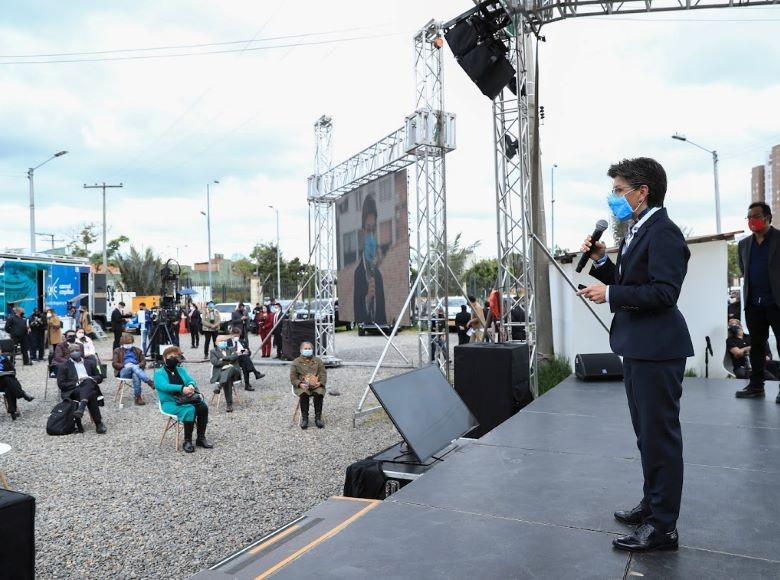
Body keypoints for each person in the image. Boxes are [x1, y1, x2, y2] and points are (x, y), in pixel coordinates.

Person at [578, 157, 692, 552]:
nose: (614, 198)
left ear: (643, 192)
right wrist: (602, 265)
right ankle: (653, 504)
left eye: (619, 190)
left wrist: (609, 293)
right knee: (647, 436)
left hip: (658, 348)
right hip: (639, 346)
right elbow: (631, 282)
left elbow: (663, 292)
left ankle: (663, 528)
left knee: (660, 437)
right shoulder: (636, 231)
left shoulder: (664, 233)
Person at [735, 201, 780, 402]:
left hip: (776, 303)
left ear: (768, 217)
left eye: (756, 216)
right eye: (749, 217)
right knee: (758, 346)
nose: (752, 220)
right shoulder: (744, 244)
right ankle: (756, 387)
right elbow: (744, 270)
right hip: (754, 304)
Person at [154, 346, 212, 453]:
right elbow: (164, 386)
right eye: (171, 356)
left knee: (203, 407)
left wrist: (190, 386)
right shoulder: (158, 374)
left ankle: (200, 438)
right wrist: (181, 388)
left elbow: (191, 380)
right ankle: (187, 441)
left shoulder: (181, 370)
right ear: (164, 358)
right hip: (170, 403)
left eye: (176, 356)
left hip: (185, 399)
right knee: (189, 409)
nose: (174, 358)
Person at [57, 342, 107, 434]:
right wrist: (77, 382)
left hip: (89, 386)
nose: (75, 352)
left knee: (88, 382)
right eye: (72, 351)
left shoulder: (90, 363)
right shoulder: (64, 366)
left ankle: (81, 408)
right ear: (69, 353)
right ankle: (98, 423)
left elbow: (100, 377)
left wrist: (90, 378)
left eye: (77, 350)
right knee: (90, 393)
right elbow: (61, 384)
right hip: (73, 391)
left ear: (81, 351)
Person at [353, 194, 387, 327]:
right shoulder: (358, 274)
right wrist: (367, 299)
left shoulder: (378, 275)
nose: (371, 236)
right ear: (363, 232)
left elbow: (383, 316)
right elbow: (357, 315)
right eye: (368, 230)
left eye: (374, 230)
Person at [290, 341, 327, 429]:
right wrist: (299, 384)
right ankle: (305, 419)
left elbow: (323, 374)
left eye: (309, 349)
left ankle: (318, 418)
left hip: (316, 385)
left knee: (319, 394)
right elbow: (293, 378)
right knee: (304, 394)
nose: (308, 350)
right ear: (301, 350)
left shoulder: (318, 361)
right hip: (302, 386)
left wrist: (320, 383)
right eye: (305, 349)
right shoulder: (296, 362)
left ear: (312, 350)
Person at [112, 333, 155, 405]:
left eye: (130, 343)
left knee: (135, 374)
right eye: (126, 343)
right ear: (122, 343)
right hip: (124, 371)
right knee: (132, 366)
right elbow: (114, 363)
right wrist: (124, 365)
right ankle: (149, 382)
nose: (129, 345)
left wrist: (138, 365)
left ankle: (138, 397)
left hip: (136, 370)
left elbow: (143, 361)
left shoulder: (137, 350)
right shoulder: (117, 350)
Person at [209, 335, 241, 412]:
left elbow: (235, 357)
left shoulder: (232, 348)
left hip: (234, 373)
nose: (223, 342)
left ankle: (219, 386)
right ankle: (229, 405)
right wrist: (228, 362)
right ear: (216, 343)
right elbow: (215, 362)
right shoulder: (213, 351)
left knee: (231, 368)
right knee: (227, 379)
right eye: (221, 341)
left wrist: (223, 358)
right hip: (220, 374)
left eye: (225, 341)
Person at [228, 326, 264, 390]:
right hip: (234, 360)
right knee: (245, 358)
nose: (236, 337)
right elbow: (229, 353)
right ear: (232, 335)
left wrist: (246, 352)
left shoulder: (243, 342)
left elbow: (249, 352)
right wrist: (239, 352)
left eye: (238, 335)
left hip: (242, 360)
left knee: (245, 362)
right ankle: (255, 373)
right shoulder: (228, 342)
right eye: (235, 335)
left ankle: (247, 385)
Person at [0, 353, 35, 420]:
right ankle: (23, 394)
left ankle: (12, 411)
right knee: (9, 380)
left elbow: (13, 370)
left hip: (7, 383)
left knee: (9, 387)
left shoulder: (4, 358)